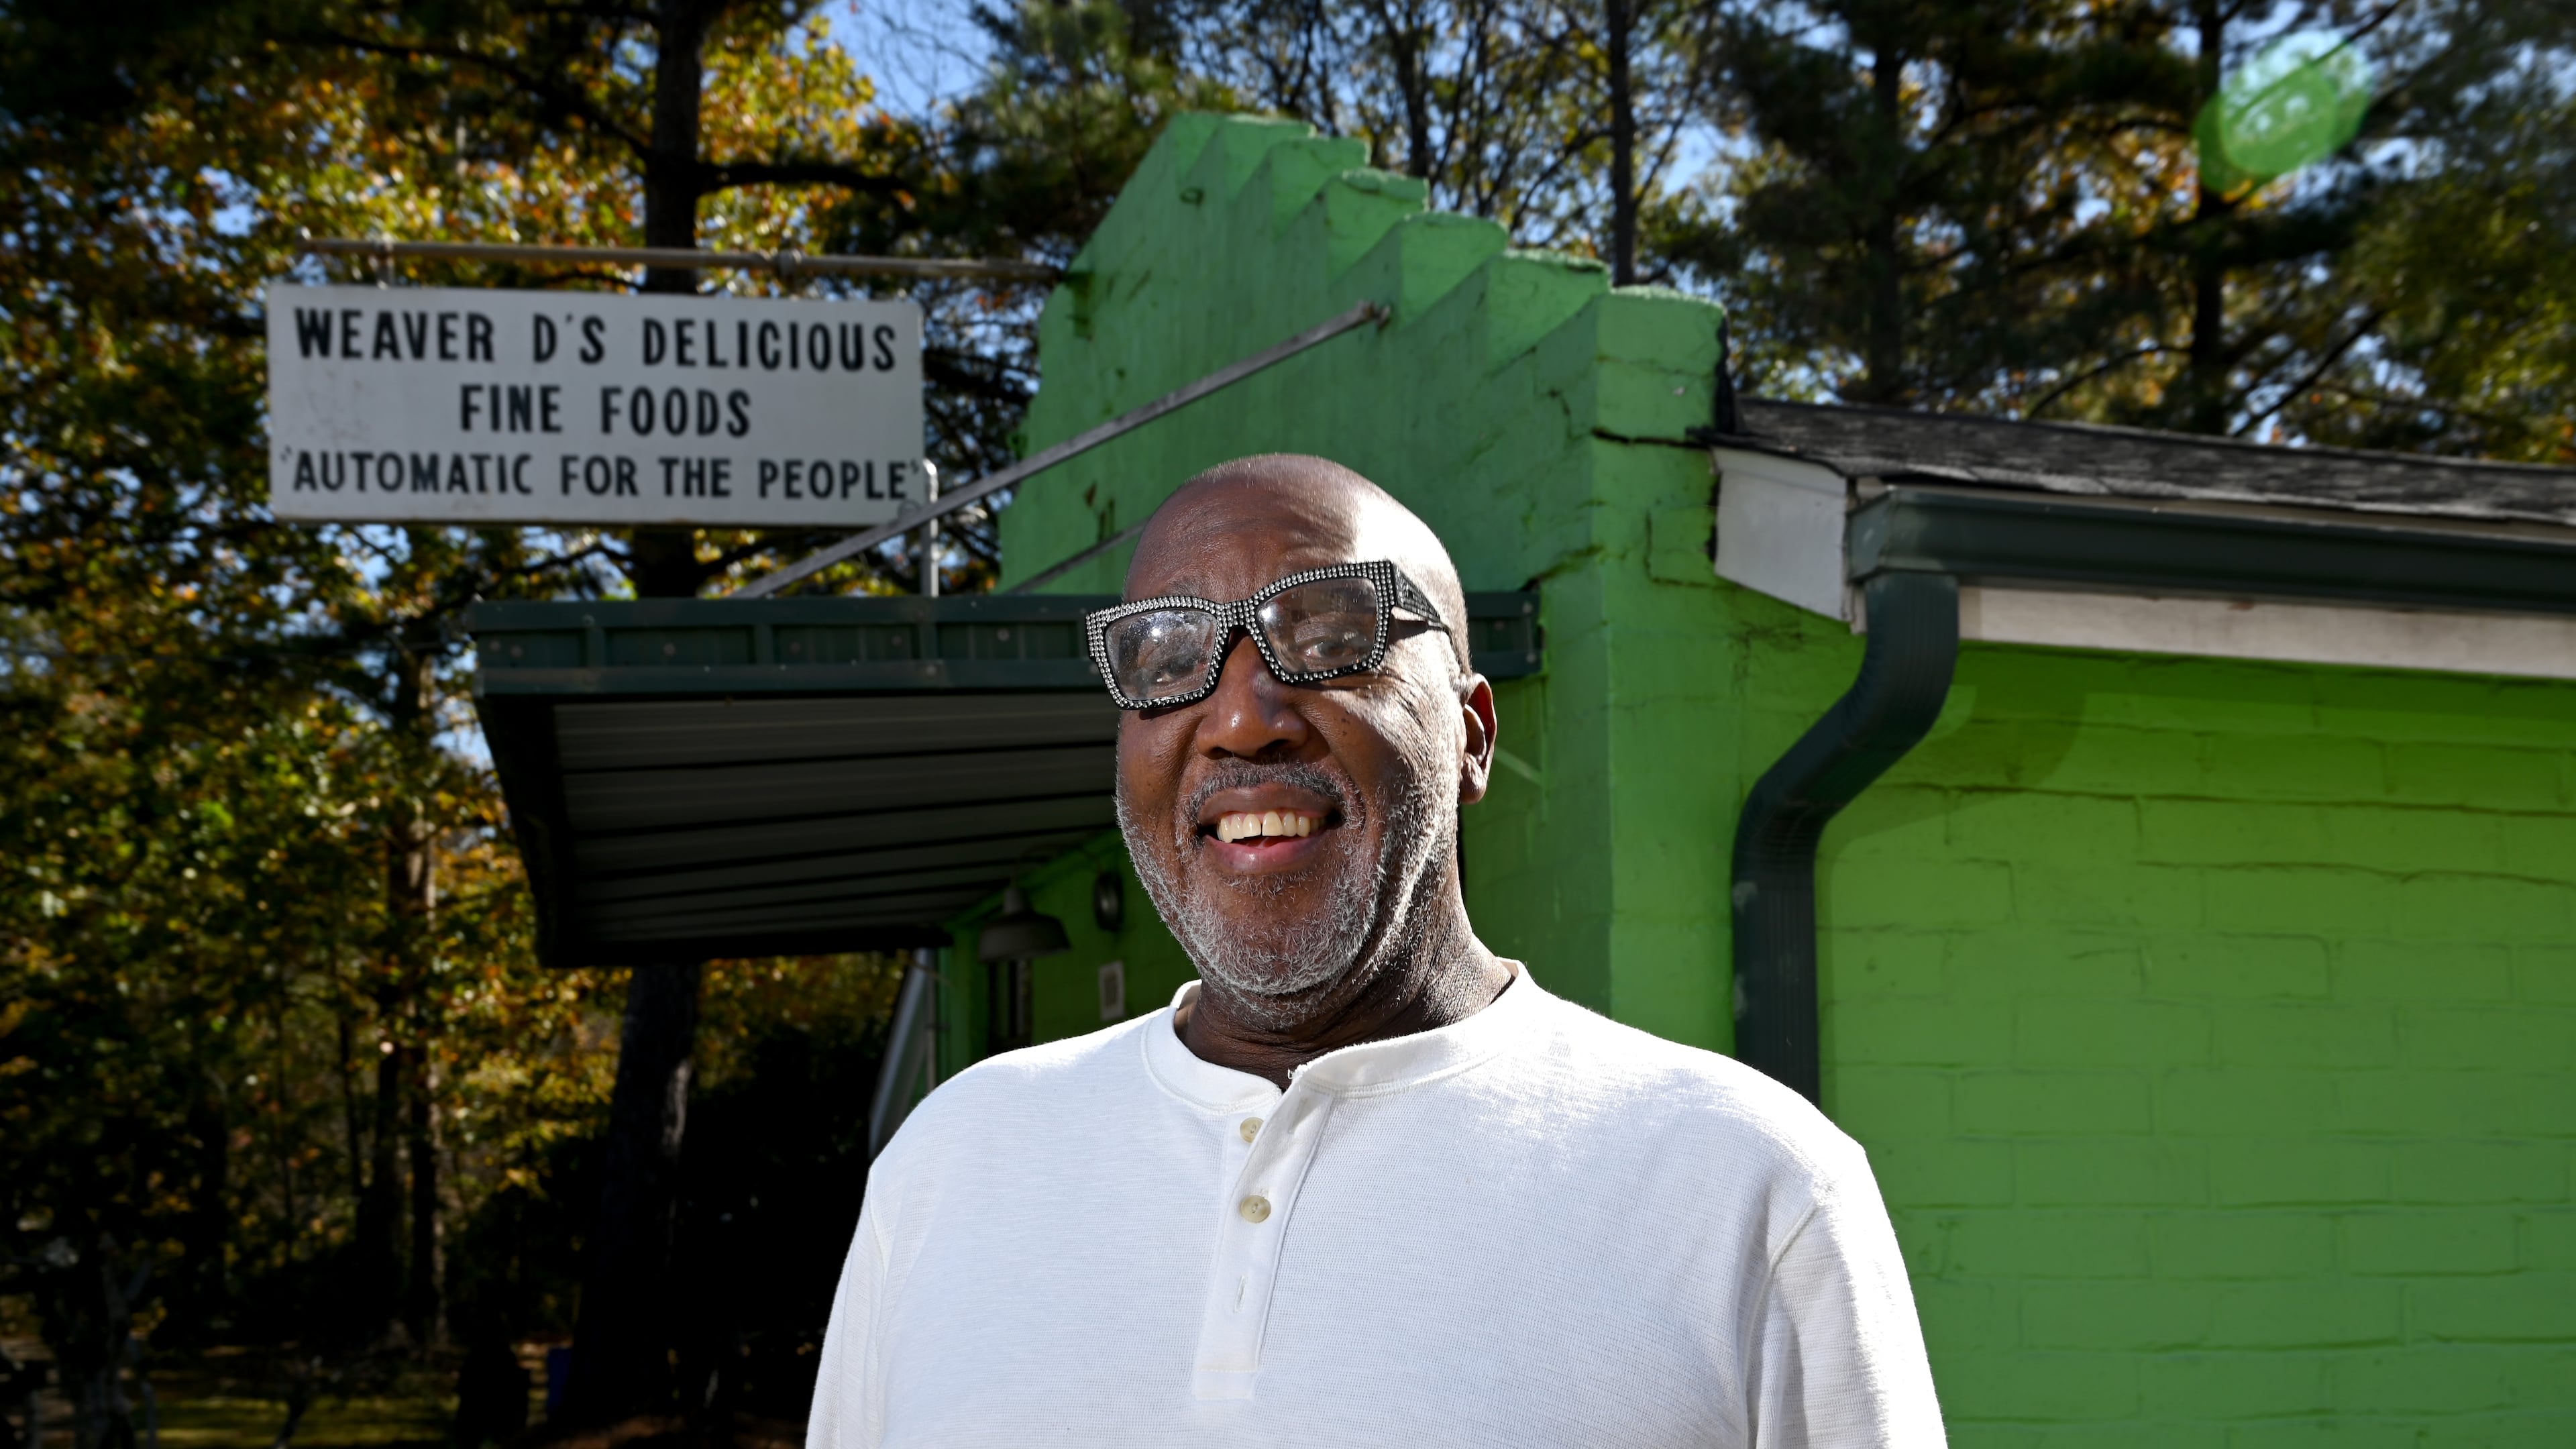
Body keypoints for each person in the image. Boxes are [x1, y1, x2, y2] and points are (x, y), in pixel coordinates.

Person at [808, 455, 1947, 1447]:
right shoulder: (952, 1161)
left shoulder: (1749, 1187)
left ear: (1473, 735)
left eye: (1330, 636)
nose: (1244, 716)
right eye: (1167, 654)